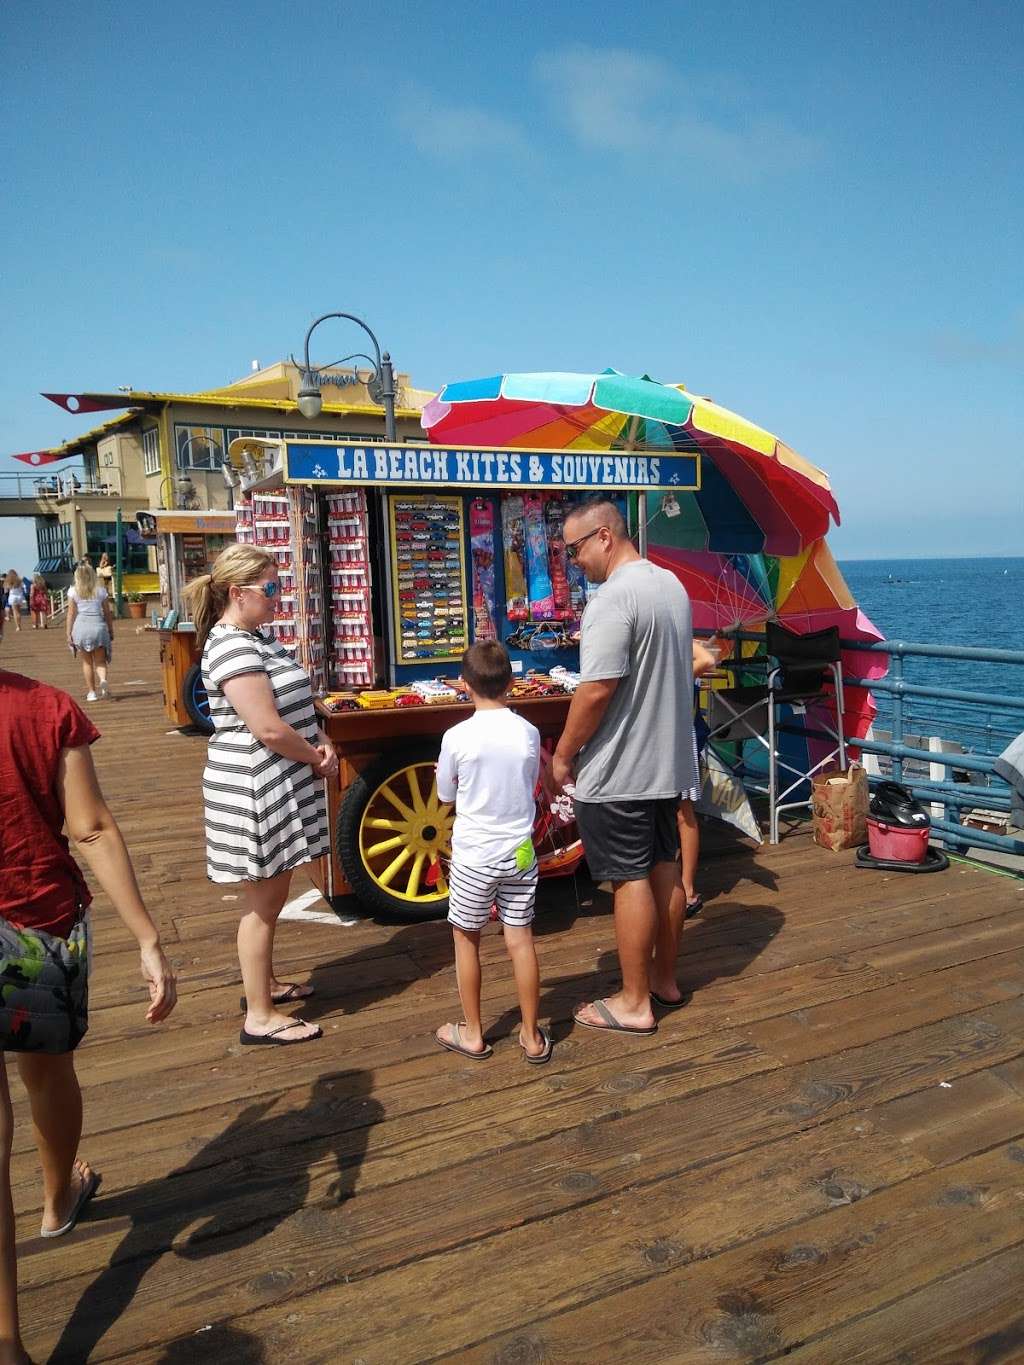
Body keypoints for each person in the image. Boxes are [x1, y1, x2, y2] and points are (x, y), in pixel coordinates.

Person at [0, 609, 177, 1365]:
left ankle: (6, 1342)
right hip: (35, 929)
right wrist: (147, 936)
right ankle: (56, 1198)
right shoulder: (45, 708)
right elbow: (92, 828)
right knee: (47, 1072)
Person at [551, 497, 698, 1035]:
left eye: (575, 548)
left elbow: (595, 691)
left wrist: (564, 754)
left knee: (628, 878)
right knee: (665, 870)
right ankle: (663, 980)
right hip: (667, 763)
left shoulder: (613, 599)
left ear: (605, 536)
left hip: (620, 770)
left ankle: (635, 1002)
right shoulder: (671, 587)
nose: (573, 561)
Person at [181, 544, 337, 1047]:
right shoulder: (232, 647)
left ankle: (264, 987)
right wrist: (316, 757)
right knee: (264, 904)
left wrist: (321, 735)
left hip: (276, 781)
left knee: (272, 893)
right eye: (270, 589)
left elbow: (292, 708)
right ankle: (260, 1017)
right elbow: (267, 729)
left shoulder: (256, 638)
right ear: (237, 592)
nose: (278, 598)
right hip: (256, 786)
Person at [432, 641, 551, 1063]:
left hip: (474, 856)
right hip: (518, 851)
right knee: (521, 940)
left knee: (467, 940)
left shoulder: (457, 736)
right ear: (512, 683)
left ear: (464, 685)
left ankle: (474, 1032)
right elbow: (532, 780)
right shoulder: (529, 732)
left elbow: (445, 795)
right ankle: (532, 1035)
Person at [66, 563, 114, 702]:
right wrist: (110, 630)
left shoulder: (73, 591)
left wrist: (68, 633)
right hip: (98, 626)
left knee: (87, 662)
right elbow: (107, 613)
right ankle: (103, 680)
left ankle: (92, 692)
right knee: (100, 660)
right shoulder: (100, 591)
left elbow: (70, 614)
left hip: (81, 627)